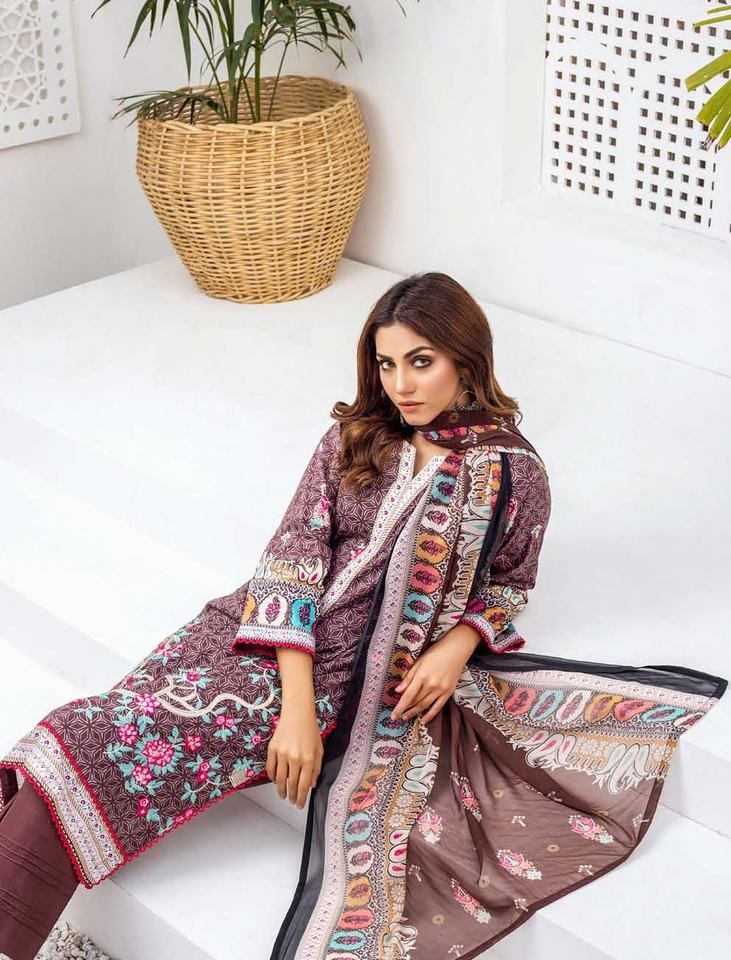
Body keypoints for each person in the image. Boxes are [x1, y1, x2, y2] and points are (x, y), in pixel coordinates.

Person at [0, 272, 726, 960]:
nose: (400, 385)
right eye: (385, 364)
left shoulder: (514, 473)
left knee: (90, 736)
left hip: (349, 676)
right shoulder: (356, 436)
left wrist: (455, 647)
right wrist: (294, 712)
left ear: (466, 359)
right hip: (256, 627)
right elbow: (290, 558)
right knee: (102, 718)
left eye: (420, 362)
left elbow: (510, 583)